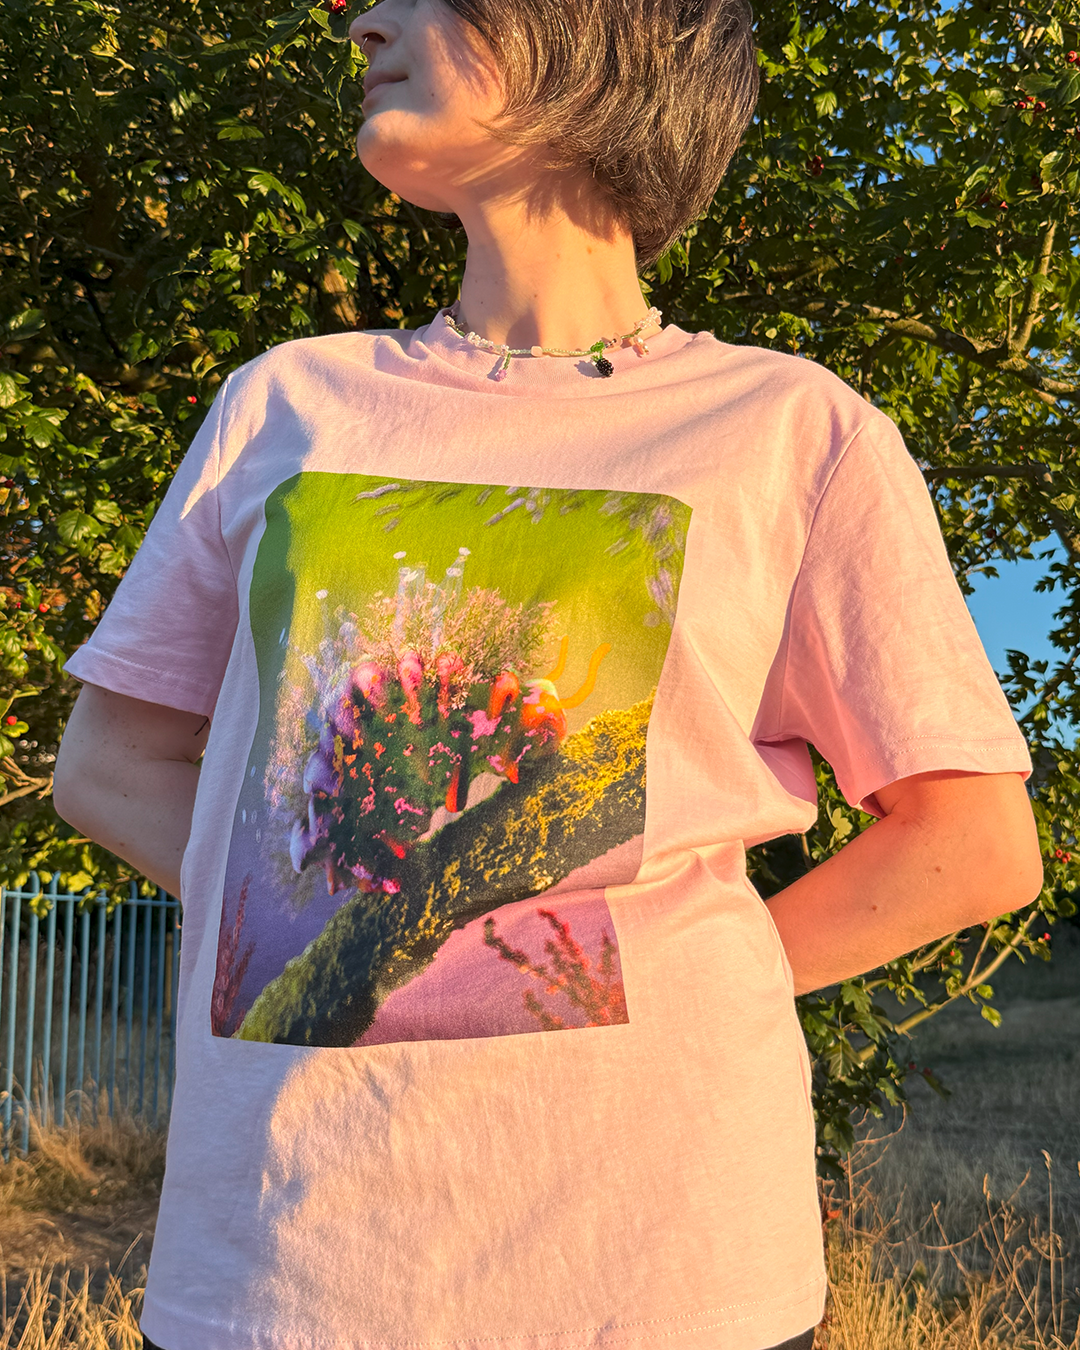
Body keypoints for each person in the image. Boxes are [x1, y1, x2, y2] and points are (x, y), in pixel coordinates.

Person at [52, 0, 1043, 1344]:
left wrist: (652, 958)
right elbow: (111, 765)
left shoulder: (790, 429)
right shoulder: (288, 405)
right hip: (287, 1266)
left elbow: (972, 843)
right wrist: (341, 927)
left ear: (601, 35)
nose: (365, 21)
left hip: (669, 1268)